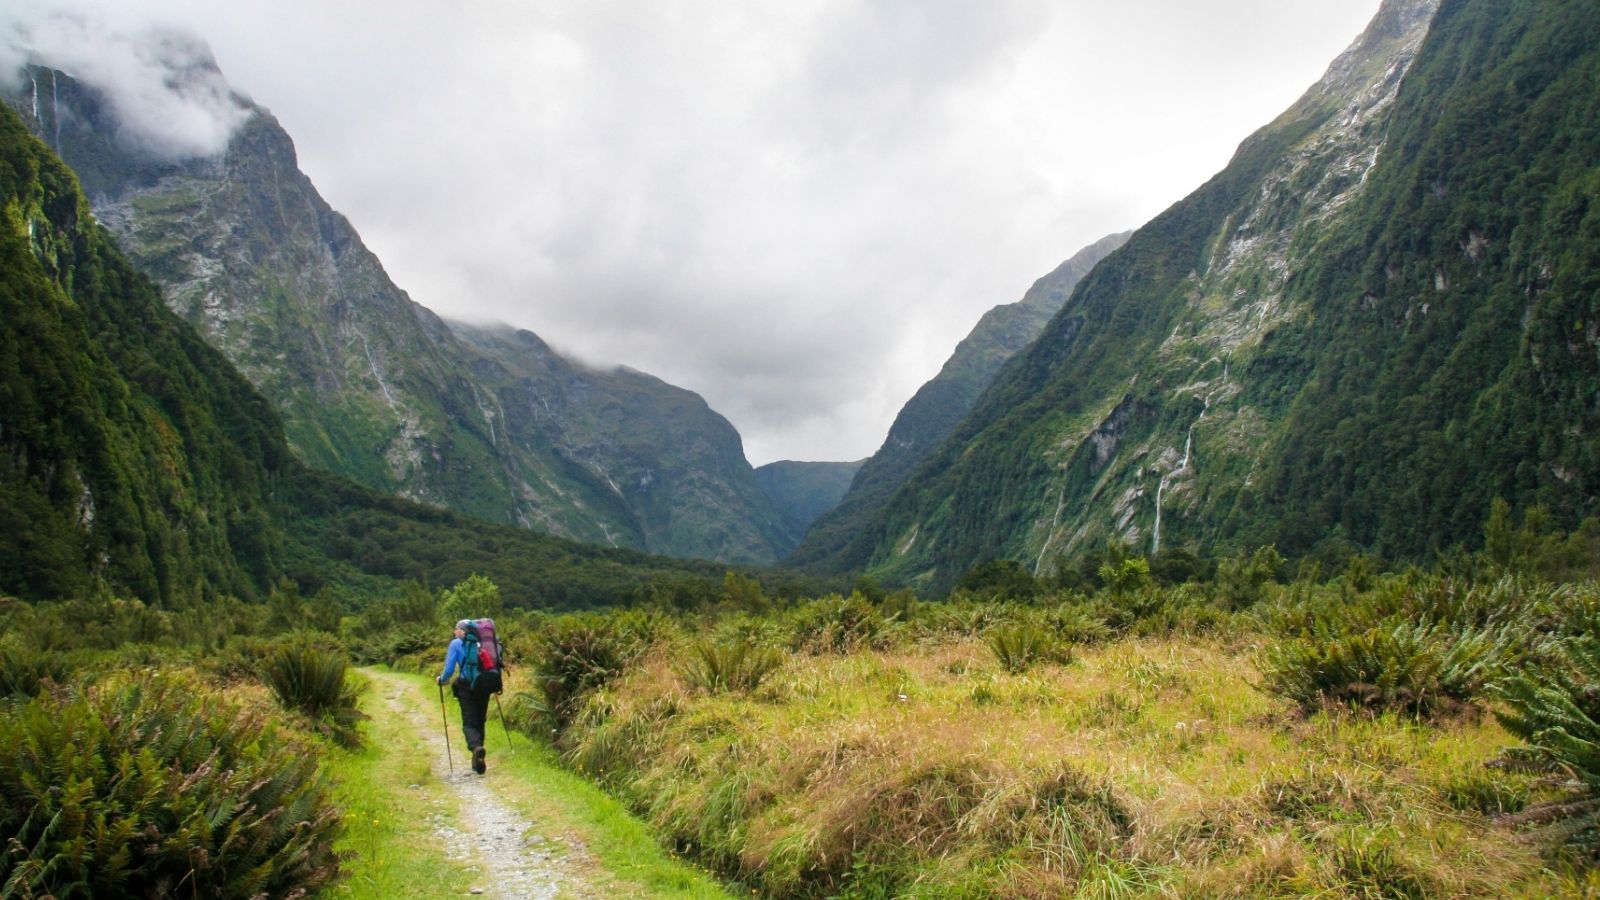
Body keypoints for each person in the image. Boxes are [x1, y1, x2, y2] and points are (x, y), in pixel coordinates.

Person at [437, 619, 492, 774]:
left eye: (456, 629)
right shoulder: (484, 642)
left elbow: (449, 670)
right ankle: (478, 759)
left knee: (469, 722)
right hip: (484, 685)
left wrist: (441, 680)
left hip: (467, 686)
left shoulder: (456, 644)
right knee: (480, 720)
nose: (455, 632)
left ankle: (476, 748)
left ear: (463, 631)